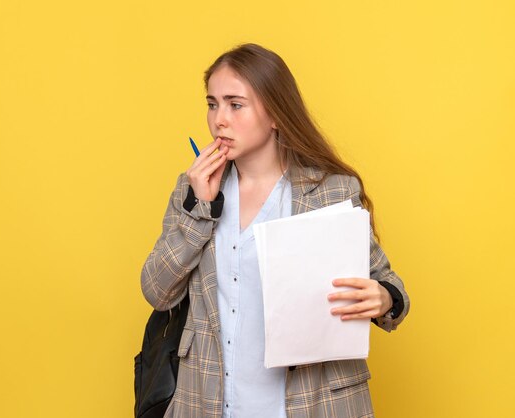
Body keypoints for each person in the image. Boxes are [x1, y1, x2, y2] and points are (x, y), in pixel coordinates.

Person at [141, 43, 410, 418]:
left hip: (312, 404)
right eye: (212, 103)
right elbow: (158, 291)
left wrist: (383, 298)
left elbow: (389, 286)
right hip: (209, 402)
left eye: (235, 104)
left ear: (276, 114)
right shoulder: (192, 190)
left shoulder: (330, 190)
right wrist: (201, 209)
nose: (219, 119)